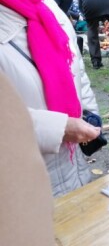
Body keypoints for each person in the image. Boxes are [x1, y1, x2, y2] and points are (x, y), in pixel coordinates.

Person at [0, 0, 101, 197]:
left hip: (71, 165)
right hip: (19, 181)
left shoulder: (47, 5)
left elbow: (75, 66)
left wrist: (88, 112)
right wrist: (57, 128)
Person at [0, 72, 54, 245]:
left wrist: (89, 111)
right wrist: (60, 125)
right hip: (24, 182)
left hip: (69, 168)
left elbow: (78, 78)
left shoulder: (65, 44)